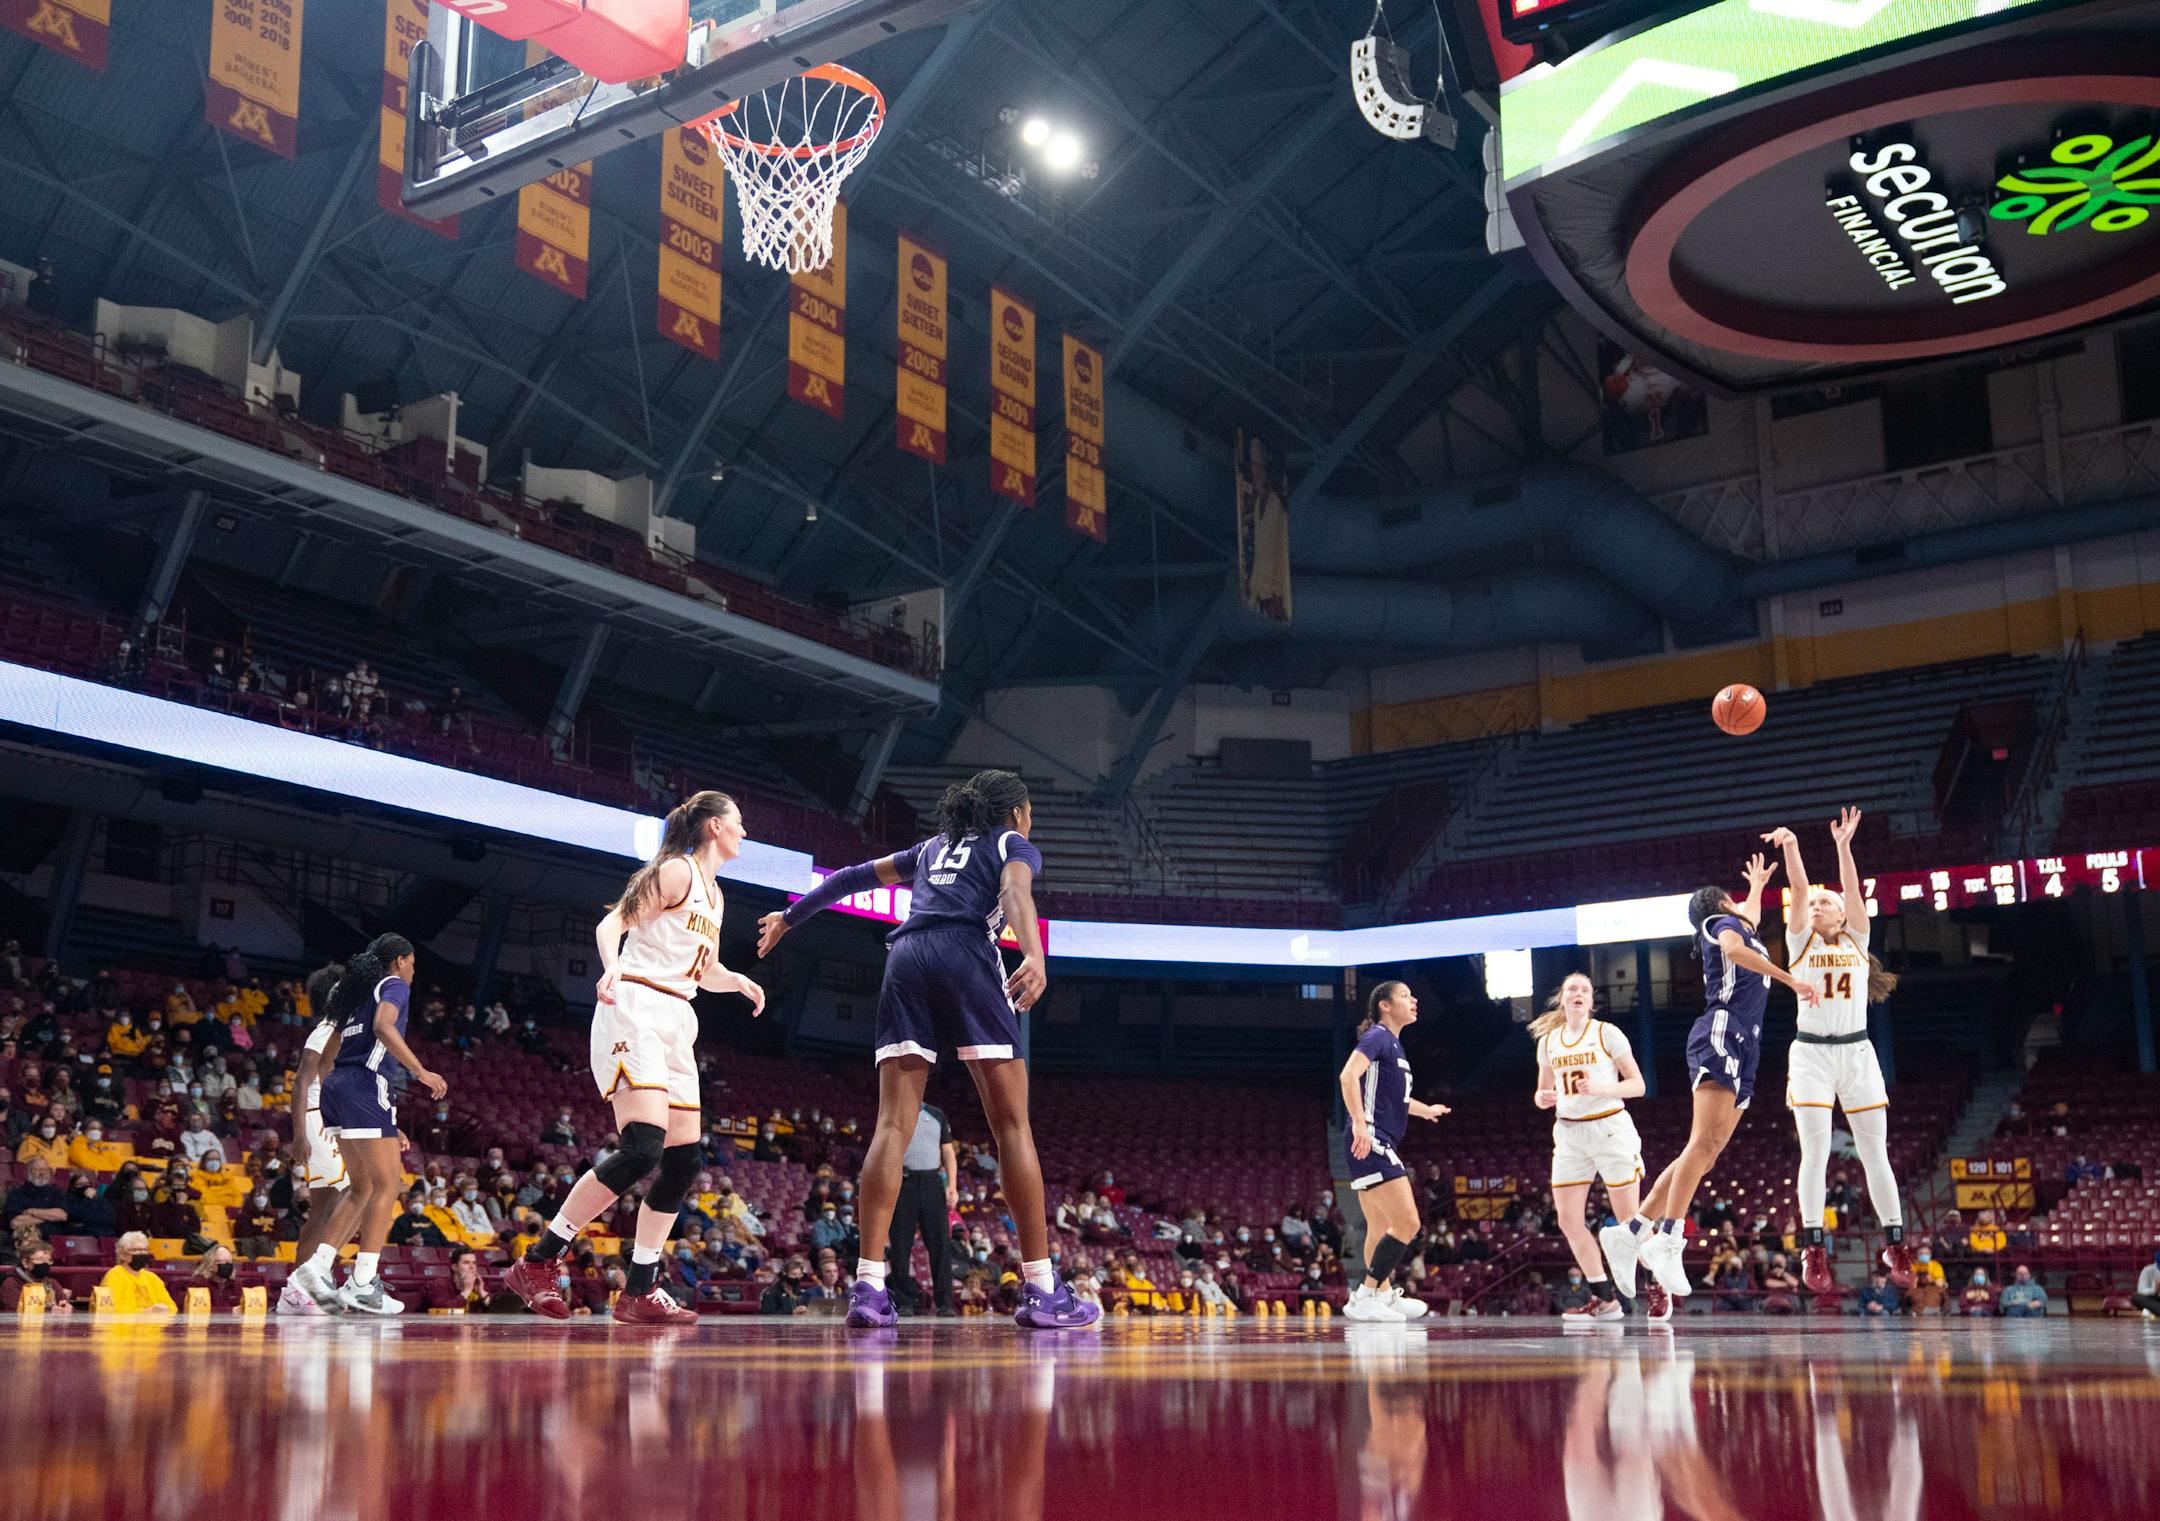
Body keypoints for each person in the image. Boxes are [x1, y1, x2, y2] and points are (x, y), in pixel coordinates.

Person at [757, 769, 1092, 1332]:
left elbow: (848, 879)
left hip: (906, 957)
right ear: (1015, 813)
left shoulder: (931, 848)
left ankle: (867, 1287)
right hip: (965, 952)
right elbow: (1014, 892)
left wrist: (790, 918)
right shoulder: (1012, 843)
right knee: (1012, 1126)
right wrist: (1033, 954)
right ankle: (1042, 1288)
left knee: (892, 1125)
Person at [504, 792, 764, 1326]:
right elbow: (611, 926)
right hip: (637, 1007)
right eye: (739, 823)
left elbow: (701, 967)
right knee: (643, 1149)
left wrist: (734, 979)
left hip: (677, 1019)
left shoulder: (715, 896)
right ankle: (539, 1260)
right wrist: (610, 969)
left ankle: (639, 1290)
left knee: (684, 1160)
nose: (746, 831)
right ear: (715, 827)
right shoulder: (675, 872)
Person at [1604, 855, 1821, 1305]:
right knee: (1701, 1145)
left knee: (1704, 1153)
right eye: (1737, 901)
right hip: (1723, 1029)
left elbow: (1751, 927)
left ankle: (1631, 1233)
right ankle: (1667, 1238)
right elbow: (1735, 949)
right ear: (1722, 905)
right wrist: (1792, 981)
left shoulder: (1742, 926)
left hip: (1747, 1041)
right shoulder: (1723, 925)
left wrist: (1759, 886)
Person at [1764, 810, 1913, 1295]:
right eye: (1813, 905)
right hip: (1809, 1056)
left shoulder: (1856, 937)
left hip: (1856, 1054)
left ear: (1842, 914)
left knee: (1875, 1153)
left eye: (1825, 904)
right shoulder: (1799, 942)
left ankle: (1895, 1242)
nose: (1816, 907)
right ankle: (1814, 1247)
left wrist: (1844, 847)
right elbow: (1800, 889)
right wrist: (1791, 847)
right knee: (1815, 1153)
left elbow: (1851, 891)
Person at [288, 935, 442, 1315]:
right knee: (388, 1185)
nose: (413, 969)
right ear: (402, 961)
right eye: (413, 961)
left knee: (363, 1187)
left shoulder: (358, 992)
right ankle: (362, 1281)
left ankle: (318, 1267)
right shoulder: (393, 986)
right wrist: (420, 1071)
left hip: (338, 1088)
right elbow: (384, 1027)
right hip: (363, 1084)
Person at [1530, 972, 1653, 1325]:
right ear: (1562, 998)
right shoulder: (1549, 1041)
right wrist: (1542, 1097)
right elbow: (1541, 1093)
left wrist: (1600, 1088)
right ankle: (1604, 1299)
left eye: (1584, 989)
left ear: (1591, 1000)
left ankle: (1657, 1282)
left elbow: (1638, 1085)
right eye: (1572, 988)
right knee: (1569, 1221)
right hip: (1568, 1134)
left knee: (1630, 1221)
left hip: (1609, 1127)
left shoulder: (1606, 1033)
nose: (1578, 993)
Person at [1336, 981, 1449, 1322]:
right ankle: (1366, 1294)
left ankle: (1382, 1295)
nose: (1414, 1000)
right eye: (1405, 995)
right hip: (1371, 1138)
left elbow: (1395, 1099)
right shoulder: (1379, 1036)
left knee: (1380, 1226)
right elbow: (1347, 1076)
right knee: (1408, 1222)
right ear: (1384, 1005)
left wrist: (1424, 1109)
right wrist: (1358, 1122)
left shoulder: (1394, 1045)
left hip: (1376, 1137)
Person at [279, 964, 353, 1315]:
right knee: (352, 1193)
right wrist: (298, 1135)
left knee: (324, 1210)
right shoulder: (325, 1030)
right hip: (316, 1119)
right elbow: (300, 1083)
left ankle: (299, 1287)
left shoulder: (344, 1031)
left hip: (333, 1120)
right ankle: (308, 1281)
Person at [886, 1099, 957, 1315]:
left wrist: (952, 1185)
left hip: (932, 1182)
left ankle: (944, 1303)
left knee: (940, 1245)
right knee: (900, 1245)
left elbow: (948, 1152)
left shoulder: (937, 1114)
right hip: (903, 1181)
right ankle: (904, 1301)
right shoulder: (893, 1111)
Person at [100, 1231, 177, 1315]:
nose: (141, 1253)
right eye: (136, 1250)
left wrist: (165, 1309)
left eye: (144, 1250)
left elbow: (172, 1307)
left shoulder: (152, 1278)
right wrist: (145, 1312)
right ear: (122, 1254)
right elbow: (109, 1309)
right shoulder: (114, 1276)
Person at [1, 1240, 72, 1313]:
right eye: (40, 1260)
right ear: (25, 1262)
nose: (45, 1264)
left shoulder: (52, 1283)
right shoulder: (11, 1284)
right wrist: (49, 1312)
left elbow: (65, 1304)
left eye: (49, 1260)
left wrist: (67, 1308)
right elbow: (13, 1314)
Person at [189, 1244, 246, 1310]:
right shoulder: (199, 1283)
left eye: (230, 1261)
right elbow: (199, 1310)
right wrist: (231, 1311)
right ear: (210, 1264)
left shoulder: (236, 1284)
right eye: (222, 1261)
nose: (227, 1265)